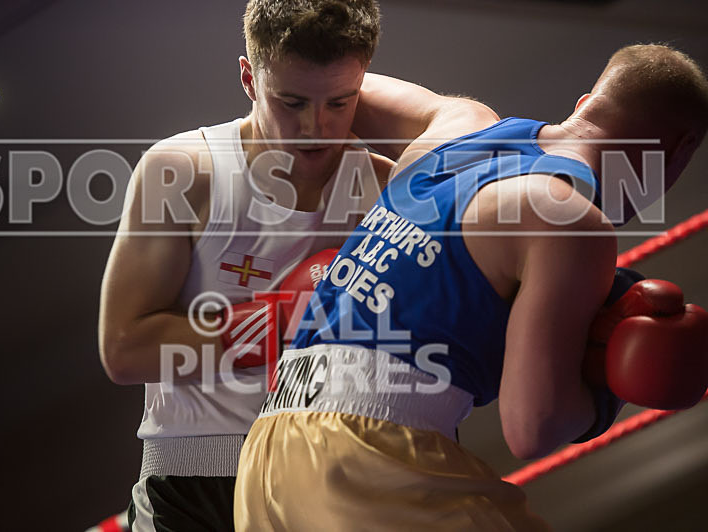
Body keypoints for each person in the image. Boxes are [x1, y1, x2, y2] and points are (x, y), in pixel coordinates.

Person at [234, 44, 708, 530]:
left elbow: (323, 84)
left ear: (585, 102)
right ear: (680, 150)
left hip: (264, 461)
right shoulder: (571, 221)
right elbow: (532, 427)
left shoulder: (458, 122)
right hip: (370, 458)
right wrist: (613, 383)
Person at [98, 1, 392, 530]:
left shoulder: (386, 192)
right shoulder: (185, 172)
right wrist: (277, 322)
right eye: (292, 102)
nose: (316, 126)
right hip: (193, 484)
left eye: (340, 102)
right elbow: (125, 349)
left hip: (331, 474)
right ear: (249, 79)